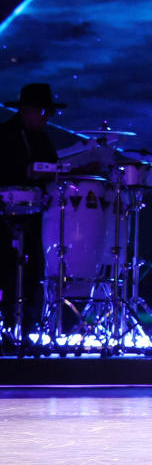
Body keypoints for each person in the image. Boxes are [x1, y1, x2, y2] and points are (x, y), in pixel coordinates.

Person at [0, 83, 65, 347]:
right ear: (26, 111)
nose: (46, 117)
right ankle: (6, 325)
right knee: (6, 267)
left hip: (33, 214)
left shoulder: (42, 138)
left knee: (33, 267)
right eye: (42, 111)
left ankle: (25, 328)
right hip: (4, 215)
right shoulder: (4, 135)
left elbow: (52, 168)